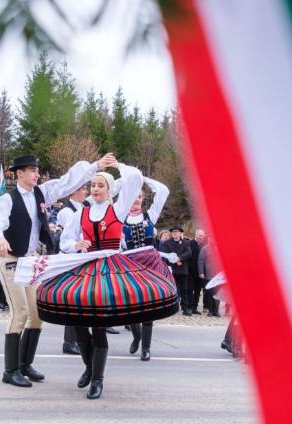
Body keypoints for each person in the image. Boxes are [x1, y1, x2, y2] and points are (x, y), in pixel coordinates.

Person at [14, 162, 178, 399]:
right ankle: (89, 367)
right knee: (79, 324)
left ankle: (97, 379)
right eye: (93, 185)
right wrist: (76, 245)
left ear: (109, 190)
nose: (95, 189)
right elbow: (65, 241)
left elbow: (134, 178)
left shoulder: (118, 209)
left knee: (99, 327)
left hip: (110, 269)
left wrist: (117, 165)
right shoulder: (81, 212)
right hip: (87, 267)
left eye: (100, 185)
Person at [0, 153, 115, 388]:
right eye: (31, 170)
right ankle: (10, 370)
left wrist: (95, 166)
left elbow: (67, 182)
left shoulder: (42, 193)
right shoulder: (8, 199)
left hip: (31, 261)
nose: (36, 174)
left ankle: (24, 364)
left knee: (37, 315)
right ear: (19, 173)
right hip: (11, 259)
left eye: (37, 170)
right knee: (19, 313)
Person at [123, 175, 170, 361]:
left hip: (149, 266)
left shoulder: (150, 216)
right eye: (133, 195)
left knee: (148, 308)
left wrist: (143, 178)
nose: (136, 199)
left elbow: (163, 191)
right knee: (131, 308)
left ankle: (146, 347)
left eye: (139, 196)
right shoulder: (120, 218)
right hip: (129, 265)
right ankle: (137, 336)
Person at [54, 184, 90, 356]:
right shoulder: (66, 211)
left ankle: (79, 338)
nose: (86, 192)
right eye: (83, 189)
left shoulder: (85, 207)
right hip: (70, 259)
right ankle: (69, 342)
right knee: (72, 300)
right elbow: (76, 233)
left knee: (82, 301)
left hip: (82, 258)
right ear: (75, 191)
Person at [163, 225, 193, 316]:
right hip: (172, 268)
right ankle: (171, 307)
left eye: (176, 232)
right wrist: (175, 261)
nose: (174, 233)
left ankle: (185, 308)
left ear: (180, 233)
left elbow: (189, 253)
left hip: (183, 269)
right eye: (173, 232)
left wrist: (179, 258)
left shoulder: (186, 242)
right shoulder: (167, 242)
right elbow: (166, 254)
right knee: (172, 289)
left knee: (184, 289)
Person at [198, 236, 220, 317]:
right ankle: (210, 311)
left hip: (218, 275)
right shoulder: (204, 249)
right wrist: (201, 272)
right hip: (209, 274)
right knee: (210, 294)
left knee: (218, 294)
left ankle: (216, 311)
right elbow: (201, 261)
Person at [187, 229, 207, 315]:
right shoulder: (190, 244)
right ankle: (189, 307)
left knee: (198, 291)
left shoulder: (204, 245)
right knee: (190, 290)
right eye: (200, 235)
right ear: (196, 235)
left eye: (202, 236)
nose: (201, 237)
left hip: (200, 272)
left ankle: (195, 307)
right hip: (191, 272)